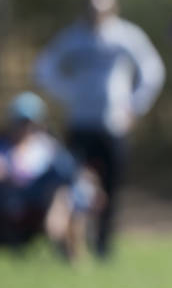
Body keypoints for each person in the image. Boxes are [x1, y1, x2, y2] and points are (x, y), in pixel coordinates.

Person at [34, 0, 165, 258]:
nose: (97, 14)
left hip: (113, 124)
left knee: (111, 186)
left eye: (103, 8)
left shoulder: (126, 36)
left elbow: (152, 71)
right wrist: (69, 95)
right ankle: (71, 243)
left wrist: (135, 107)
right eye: (93, 8)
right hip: (81, 123)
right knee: (74, 185)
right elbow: (44, 69)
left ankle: (104, 243)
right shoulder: (73, 37)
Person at [0, 92, 101, 261]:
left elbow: (71, 173)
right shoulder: (3, 147)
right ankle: (69, 241)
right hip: (15, 198)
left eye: (30, 123)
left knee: (67, 177)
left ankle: (60, 215)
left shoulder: (48, 147)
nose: (25, 128)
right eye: (21, 122)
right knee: (62, 179)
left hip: (46, 197)